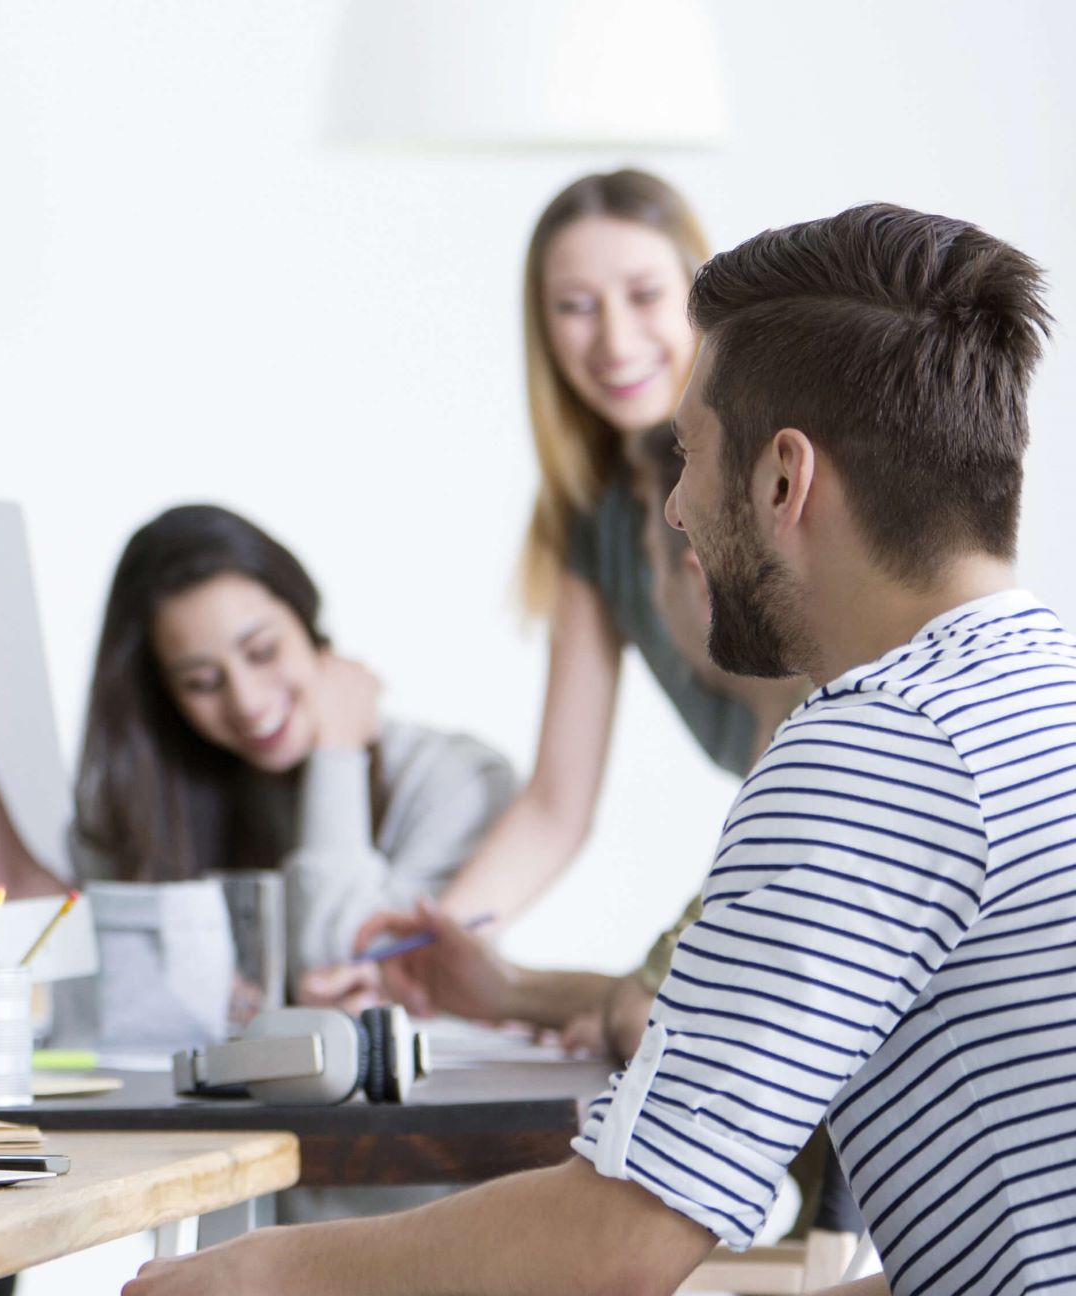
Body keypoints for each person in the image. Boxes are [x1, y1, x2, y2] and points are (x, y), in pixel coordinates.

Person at [132, 201, 1066, 1295]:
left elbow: (614, 1245)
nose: (671, 508)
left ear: (781, 480)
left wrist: (265, 1272)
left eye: (690, 456)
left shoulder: (869, 757)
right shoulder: (1033, 696)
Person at [408, 169, 780, 931]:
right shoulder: (596, 519)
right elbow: (554, 807)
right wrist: (426, 952)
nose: (613, 339)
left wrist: (664, 974)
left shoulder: (772, 471)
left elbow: (805, 727)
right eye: (575, 308)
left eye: (644, 296)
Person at [68, 505, 517, 1007]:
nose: (247, 702)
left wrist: (337, 753)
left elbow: (340, 964)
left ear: (307, 622)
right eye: (201, 683)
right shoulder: (162, 800)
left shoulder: (461, 783)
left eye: (262, 651)